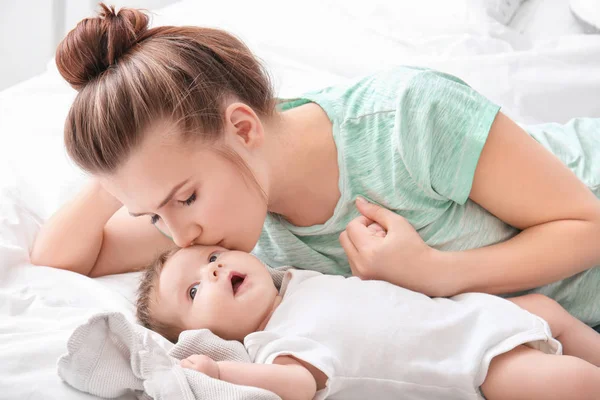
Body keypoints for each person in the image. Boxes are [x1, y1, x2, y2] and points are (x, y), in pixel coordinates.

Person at [30, 4, 600, 328]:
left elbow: (586, 226)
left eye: (184, 198)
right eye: (153, 216)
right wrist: (125, 161)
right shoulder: (219, 223)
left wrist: (437, 274)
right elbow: (60, 259)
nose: (180, 237)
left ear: (244, 128)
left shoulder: (406, 117)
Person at [135, 244, 600, 400]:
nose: (213, 270)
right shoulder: (272, 345)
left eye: (213, 256)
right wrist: (219, 371)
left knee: (549, 311)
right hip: (470, 363)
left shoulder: (295, 279)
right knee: (571, 382)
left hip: (467, 312)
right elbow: (295, 385)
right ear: (203, 334)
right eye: (194, 291)